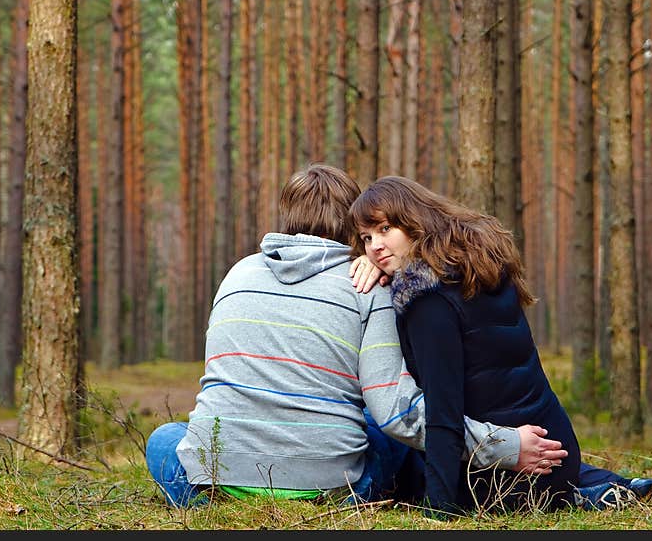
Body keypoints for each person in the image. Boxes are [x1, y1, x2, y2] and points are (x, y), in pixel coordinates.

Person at [144, 165, 569, 508]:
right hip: (335, 491)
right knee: (374, 425)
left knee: (165, 439)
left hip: (216, 477)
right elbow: (397, 414)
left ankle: (211, 499)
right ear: (352, 224)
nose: (374, 245)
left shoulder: (238, 273)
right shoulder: (368, 288)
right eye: (367, 236)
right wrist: (506, 444)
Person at [349, 176, 652, 516]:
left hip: (507, 476)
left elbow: (444, 414)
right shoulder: (478, 265)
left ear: (415, 220)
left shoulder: (428, 301)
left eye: (385, 229)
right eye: (365, 238)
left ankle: (584, 496)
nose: (375, 246)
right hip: (557, 449)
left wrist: (438, 509)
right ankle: (612, 486)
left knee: (392, 448)